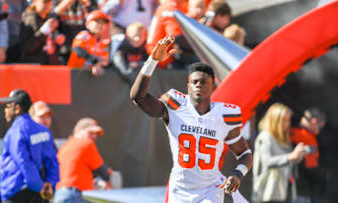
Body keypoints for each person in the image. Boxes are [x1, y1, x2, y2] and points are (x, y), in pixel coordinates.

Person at [130, 35, 253, 202]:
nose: (198, 86)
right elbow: (139, 98)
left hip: (210, 189)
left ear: (212, 86)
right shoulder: (175, 106)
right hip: (179, 189)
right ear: (188, 86)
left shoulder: (223, 116)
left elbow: (244, 154)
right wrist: (152, 61)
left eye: (203, 82)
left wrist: (237, 174)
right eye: (194, 82)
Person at [0, 89, 59, 202]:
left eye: (8, 106)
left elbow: (23, 161)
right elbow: (52, 161)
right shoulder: (44, 131)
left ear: (17, 109)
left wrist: (39, 186)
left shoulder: (16, 130)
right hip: (39, 194)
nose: (5, 110)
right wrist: (50, 184)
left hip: (18, 190)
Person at [252, 103, 306, 203]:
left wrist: (297, 158)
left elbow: (287, 163)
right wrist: (291, 156)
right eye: (284, 120)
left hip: (282, 193)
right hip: (266, 194)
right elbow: (267, 162)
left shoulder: (285, 139)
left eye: (288, 120)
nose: (287, 124)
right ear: (274, 121)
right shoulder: (265, 137)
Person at [54, 117, 112, 203]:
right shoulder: (87, 143)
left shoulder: (65, 146)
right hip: (74, 195)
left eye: (96, 134)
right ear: (79, 131)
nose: (95, 136)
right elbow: (102, 171)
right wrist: (108, 183)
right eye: (91, 132)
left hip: (59, 195)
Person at [290, 108, 326, 203]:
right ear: (314, 122)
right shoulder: (294, 133)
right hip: (298, 185)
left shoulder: (308, 134)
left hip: (307, 186)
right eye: (319, 127)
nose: (319, 130)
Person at [67, 10, 110, 76]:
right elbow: (77, 49)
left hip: (89, 77)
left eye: (103, 22)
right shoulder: (84, 35)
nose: (100, 25)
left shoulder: (103, 43)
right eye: (97, 21)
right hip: (73, 74)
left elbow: (105, 62)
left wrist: (99, 65)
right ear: (87, 24)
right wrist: (95, 62)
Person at [20, 0, 61, 65]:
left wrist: (57, 41)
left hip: (50, 66)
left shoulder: (49, 18)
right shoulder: (29, 18)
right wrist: (44, 30)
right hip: (34, 67)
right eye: (45, 1)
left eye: (49, 2)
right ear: (34, 2)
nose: (47, 5)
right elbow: (28, 46)